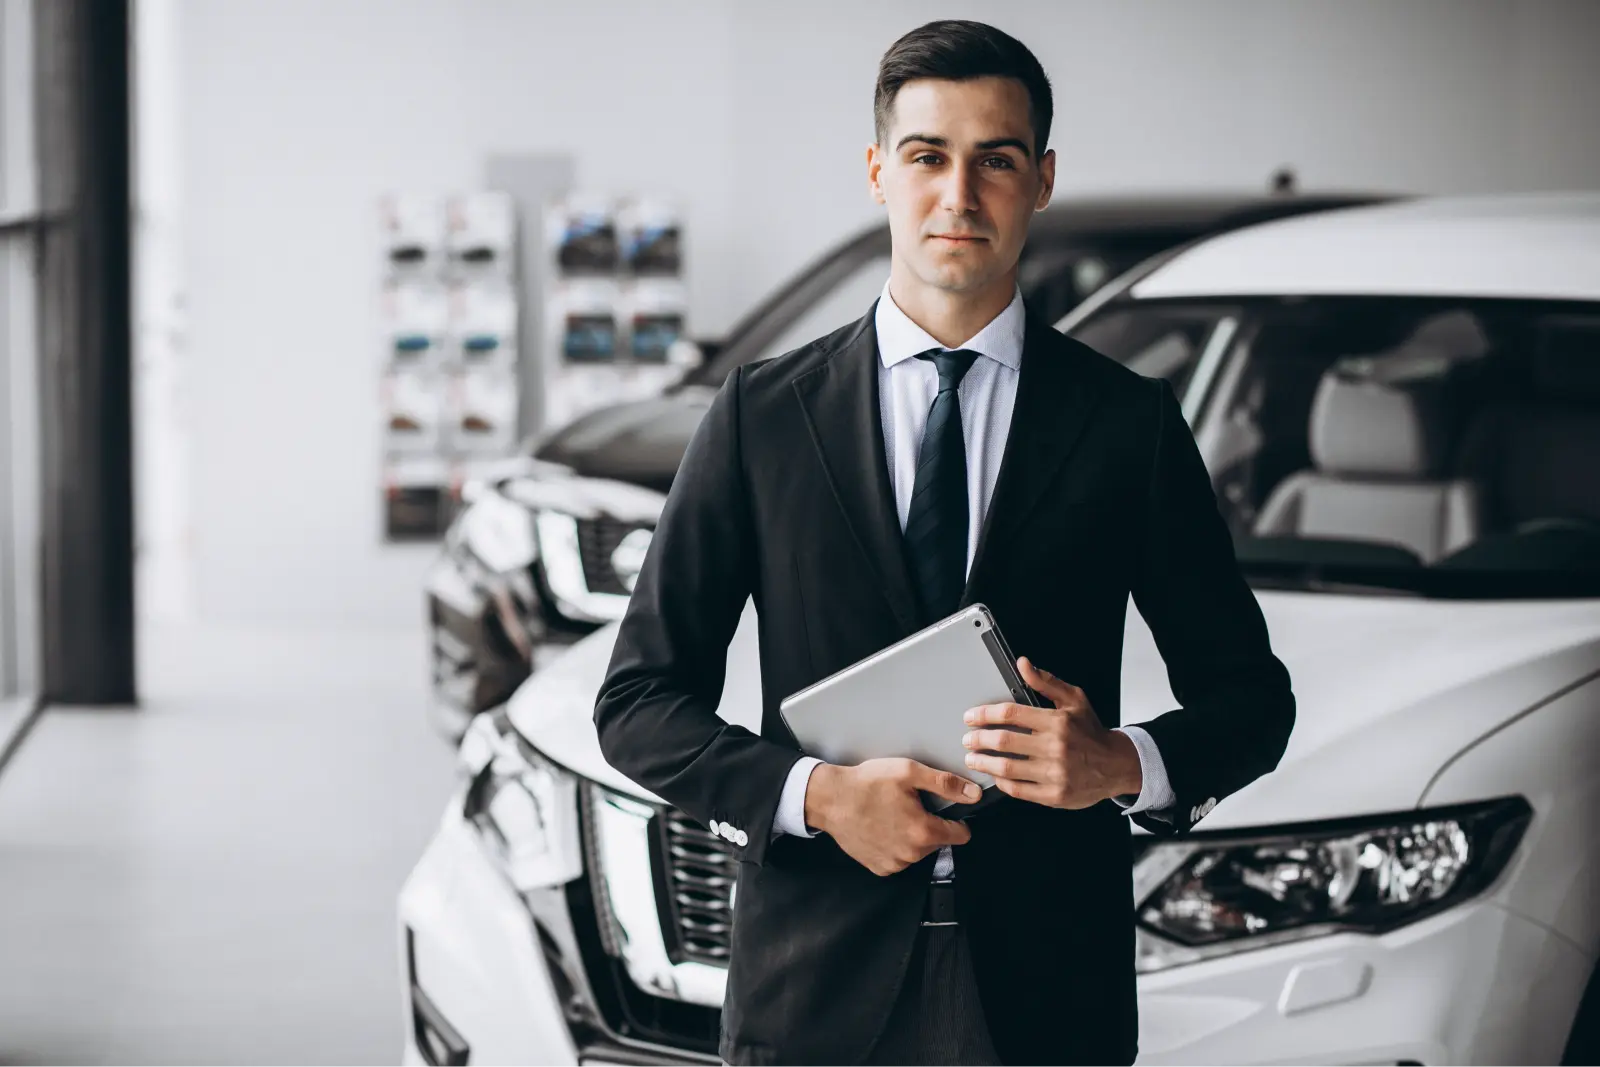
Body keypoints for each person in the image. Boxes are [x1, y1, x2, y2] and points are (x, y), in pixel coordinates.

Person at [594, 19, 1295, 1067]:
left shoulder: (1127, 423)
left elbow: (1251, 699)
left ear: (1041, 179)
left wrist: (1120, 760)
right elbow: (639, 704)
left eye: (995, 159)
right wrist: (819, 796)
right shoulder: (759, 417)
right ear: (879, 171)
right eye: (927, 156)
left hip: (1050, 991)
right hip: (814, 983)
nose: (958, 195)